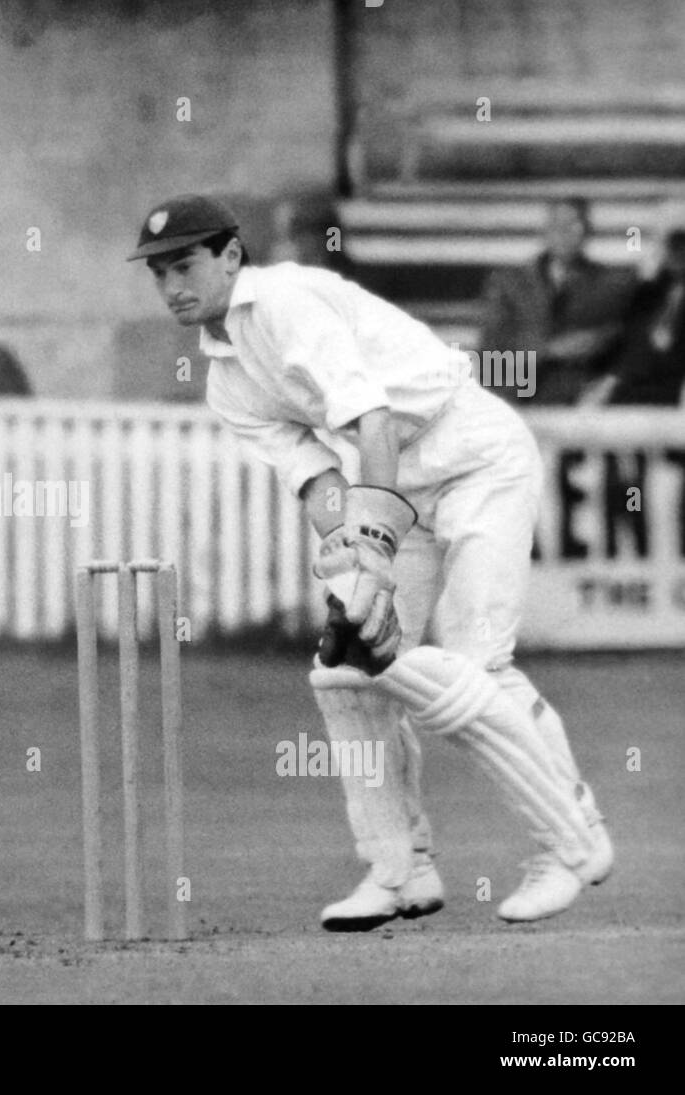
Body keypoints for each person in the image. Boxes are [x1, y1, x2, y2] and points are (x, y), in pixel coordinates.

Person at [131, 194, 613, 928]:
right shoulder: (226, 381)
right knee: (344, 670)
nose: (173, 287)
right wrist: (354, 556)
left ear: (231, 256)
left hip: (474, 452)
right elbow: (320, 481)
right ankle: (400, 867)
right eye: (160, 273)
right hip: (391, 486)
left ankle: (566, 843)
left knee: (476, 662)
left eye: (185, 265)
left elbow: (373, 418)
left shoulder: (287, 302)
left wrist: (377, 549)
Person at [478, 198, 635, 404]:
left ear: (587, 231)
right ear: (544, 231)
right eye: (556, 224)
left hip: (579, 399)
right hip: (517, 395)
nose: (564, 232)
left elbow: (620, 336)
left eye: (573, 224)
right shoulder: (509, 283)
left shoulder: (607, 285)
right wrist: (549, 350)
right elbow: (492, 346)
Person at [581, 227, 685, 406]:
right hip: (634, 381)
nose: (678, 256)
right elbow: (629, 336)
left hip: (671, 383)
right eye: (674, 249)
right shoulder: (649, 292)